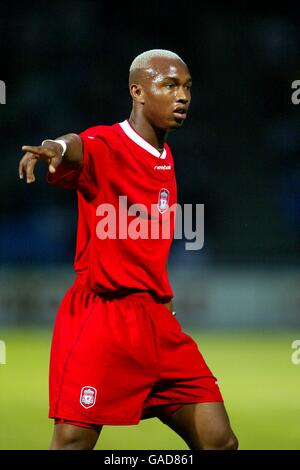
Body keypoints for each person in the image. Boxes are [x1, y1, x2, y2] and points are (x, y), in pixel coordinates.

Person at [18, 49, 238, 451]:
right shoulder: (108, 143)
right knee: (72, 442)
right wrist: (58, 147)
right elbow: (78, 146)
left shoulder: (165, 154)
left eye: (187, 87)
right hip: (104, 318)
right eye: (169, 85)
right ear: (137, 90)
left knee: (218, 440)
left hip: (157, 320)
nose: (182, 96)